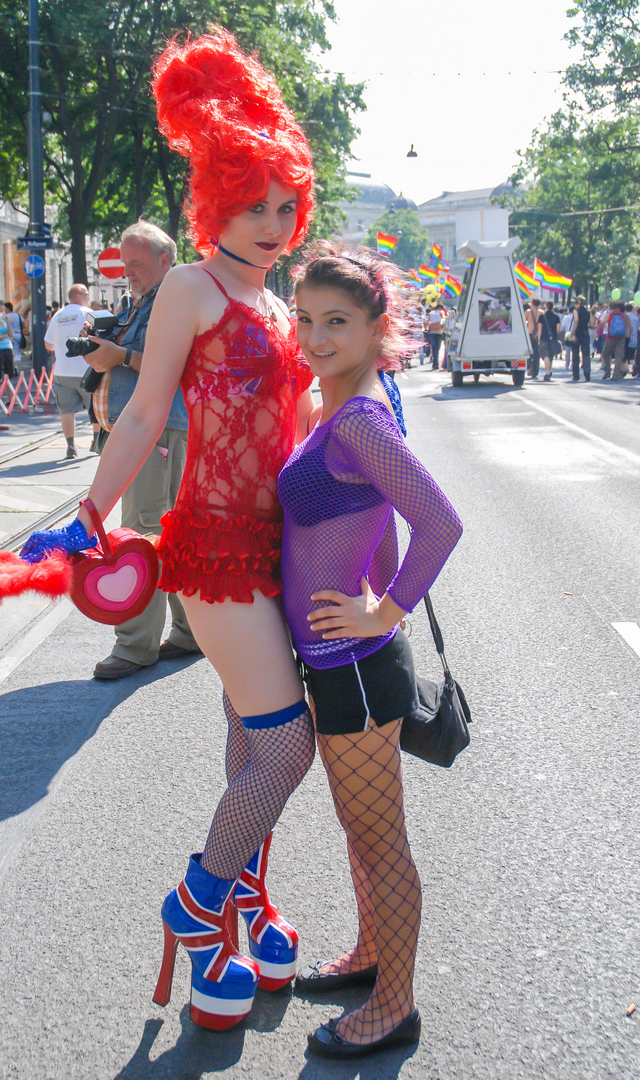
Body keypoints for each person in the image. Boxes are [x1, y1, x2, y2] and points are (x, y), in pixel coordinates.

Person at [21, 29, 317, 1032]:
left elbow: (298, 430)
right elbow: (145, 412)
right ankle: (197, 910)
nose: (274, 223)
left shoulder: (276, 301)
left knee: (248, 744)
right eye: (254, 203)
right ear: (214, 198)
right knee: (286, 752)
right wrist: (91, 510)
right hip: (217, 552)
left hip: (280, 548)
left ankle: (249, 905)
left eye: (286, 206)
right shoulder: (191, 287)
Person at [277, 245, 462, 1059]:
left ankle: (395, 1006)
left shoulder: (358, 417)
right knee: (362, 832)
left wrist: (383, 607)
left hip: (352, 665)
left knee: (380, 838)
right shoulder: (341, 402)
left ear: (375, 327)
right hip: (337, 661)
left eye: (337, 323)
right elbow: (371, 521)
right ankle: (368, 957)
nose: (315, 336)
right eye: (306, 319)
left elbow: (442, 521)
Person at [87, 220, 200, 678]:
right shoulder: (140, 302)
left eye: (136, 263)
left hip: (158, 432)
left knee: (141, 533)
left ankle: (135, 647)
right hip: (142, 431)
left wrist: (119, 356)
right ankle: (190, 632)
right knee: (165, 529)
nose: (127, 271)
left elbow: (180, 365)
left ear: (164, 261)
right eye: (124, 262)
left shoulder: (172, 300)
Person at [43, 283, 101, 459]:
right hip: (85, 369)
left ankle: (70, 446)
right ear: (79, 296)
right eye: (87, 294)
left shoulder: (57, 315)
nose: (88, 297)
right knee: (94, 408)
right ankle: (96, 441)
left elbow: (48, 344)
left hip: (62, 370)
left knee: (66, 410)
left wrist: (61, 346)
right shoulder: (86, 313)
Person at [600, 301, 630, 380]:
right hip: (621, 338)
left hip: (610, 338)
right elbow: (626, 326)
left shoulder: (609, 315)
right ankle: (616, 375)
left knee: (605, 354)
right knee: (618, 357)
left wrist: (606, 327)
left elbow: (601, 323)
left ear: (610, 308)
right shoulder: (623, 315)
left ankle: (607, 372)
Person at [537, 300, 560, 381]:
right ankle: (549, 371)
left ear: (546, 307)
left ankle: (547, 372)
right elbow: (558, 329)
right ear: (552, 307)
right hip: (553, 337)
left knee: (545, 355)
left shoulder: (542, 316)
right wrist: (555, 336)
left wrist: (539, 339)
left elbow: (539, 328)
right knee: (551, 355)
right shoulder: (556, 317)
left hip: (544, 337)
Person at [570, 296, 591, 382]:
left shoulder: (576, 311)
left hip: (577, 334)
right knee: (586, 355)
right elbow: (590, 323)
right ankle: (587, 374)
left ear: (578, 304)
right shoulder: (587, 312)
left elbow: (576, 321)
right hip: (585, 333)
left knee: (575, 355)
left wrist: (572, 333)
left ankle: (576, 375)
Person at [4, 301, 24, 369]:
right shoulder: (18, 315)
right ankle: (16, 367)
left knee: (9, 352)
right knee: (17, 352)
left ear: (7, 308)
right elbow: (23, 325)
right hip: (18, 335)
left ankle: (9, 366)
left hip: (8, 336)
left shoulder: (5, 317)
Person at [425, 301, 444, 369]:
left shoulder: (431, 313)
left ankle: (435, 363)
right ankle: (436, 363)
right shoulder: (441, 313)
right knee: (437, 349)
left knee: (434, 348)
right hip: (439, 332)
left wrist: (428, 327)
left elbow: (427, 321)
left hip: (432, 332)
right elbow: (443, 321)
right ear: (439, 308)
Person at [525, 297, 540, 378]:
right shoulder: (541, 312)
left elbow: (524, 320)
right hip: (537, 334)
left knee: (529, 352)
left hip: (530, 333)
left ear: (532, 303)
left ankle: (529, 366)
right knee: (537, 353)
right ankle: (535, 371)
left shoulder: (528, 311)